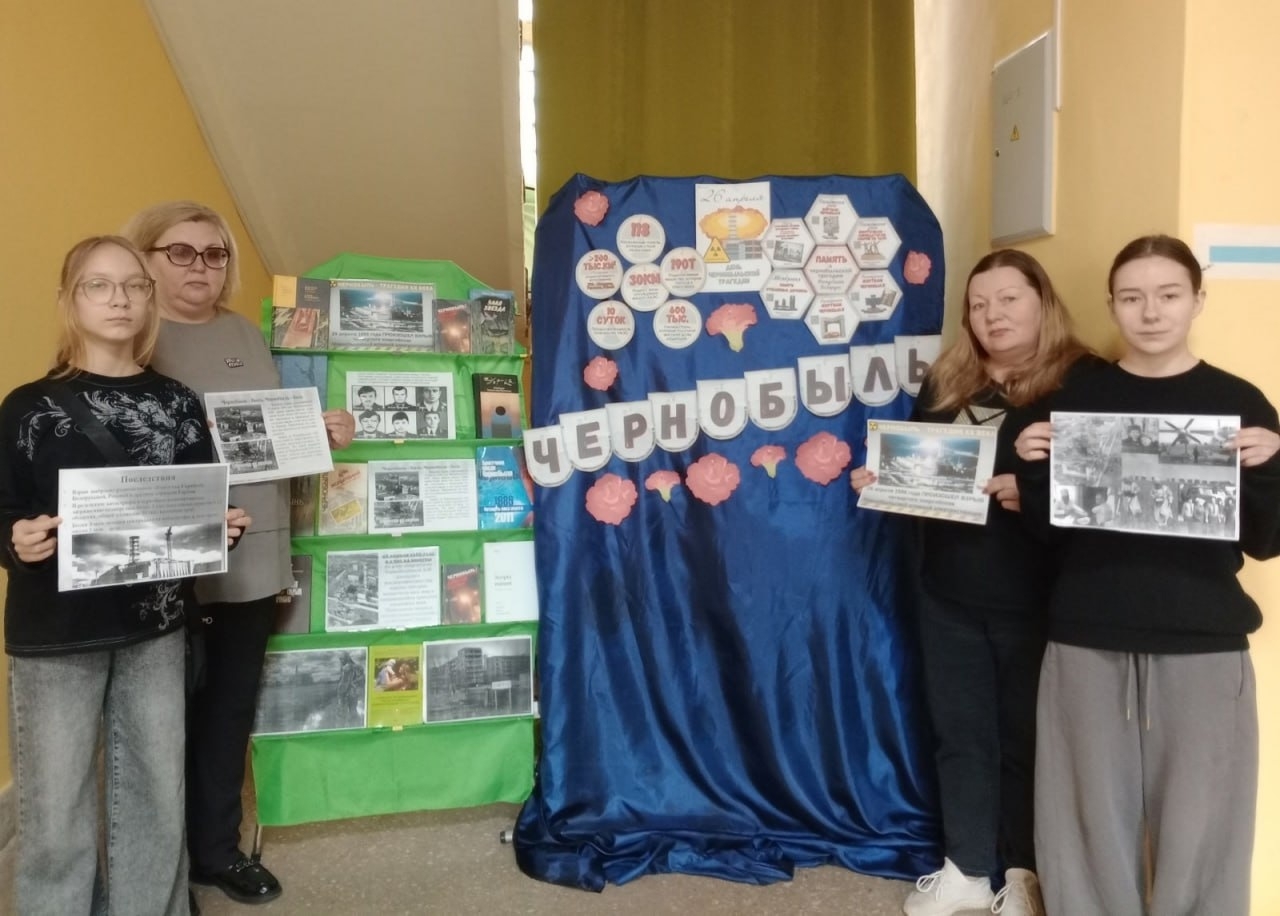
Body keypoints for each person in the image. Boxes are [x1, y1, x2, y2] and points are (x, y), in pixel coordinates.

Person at [1014, 235, 1280, 916]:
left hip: (1204, 644)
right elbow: (1047, 535)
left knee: (1207, 832)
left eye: (1168, 295)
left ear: (1197, 300)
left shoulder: (1239, 401)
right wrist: (1032, 464)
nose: (1151, 312)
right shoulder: (1075, 397)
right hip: (1087, 637)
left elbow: (1266, 540)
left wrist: (1270, 467)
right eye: (1132, 298)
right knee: (1084, 826)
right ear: (1112, 306)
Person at [1, 236, 250, 916]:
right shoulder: (27, 407)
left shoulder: (178, 402)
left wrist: (219, 527)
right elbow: (6, 510)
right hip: (56, 634)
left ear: (148, 300)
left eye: (134, 286)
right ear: (68, 299)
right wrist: (15, 538)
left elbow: (201, 500)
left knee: (155, 795)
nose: (119, 299)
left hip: (155, 630)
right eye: (98, 285)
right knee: (55, 810)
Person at [124, 201, 355, 906]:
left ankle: (214, 852)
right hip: (169, 557)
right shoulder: (133, 334)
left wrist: (318, 432)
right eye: (180, 251)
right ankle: (158, 872)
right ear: (145, 259)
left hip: (255, 550)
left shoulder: (242, 332)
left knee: (229, 709)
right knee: (158, 722)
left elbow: (266, 435)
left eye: (214, 253)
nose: (200, 266)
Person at [851, 250, 1093, 916]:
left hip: (1037, 596)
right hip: (948, 591)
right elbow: (918, 468)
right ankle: (967, 868)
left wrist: (1033, 490)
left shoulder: (1083, 382)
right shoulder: (947, 380)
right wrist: (883, 479)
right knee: (959, 734)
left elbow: (1100, 491)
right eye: (979, 304)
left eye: (1008, 299)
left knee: (1027, 740)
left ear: (1042, 301)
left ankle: (1023, 872)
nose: (993, 315)